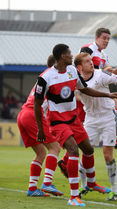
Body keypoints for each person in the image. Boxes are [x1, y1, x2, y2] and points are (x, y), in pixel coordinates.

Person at [34, 44, 117, 206]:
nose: (71, 55)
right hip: (57, 122)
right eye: (69, 53)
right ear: (62, 56)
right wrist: (41, 129)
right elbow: (37, 104)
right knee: (73, 150)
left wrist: (108, 94)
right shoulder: (45, 78)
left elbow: (85, 89)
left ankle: (91, 183)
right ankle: (74, 196)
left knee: (88, 150)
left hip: (73, 120)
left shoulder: (72, 71)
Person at [74, 52, 117, 201]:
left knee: (108, 154)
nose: (91, 63)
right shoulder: (75, 80)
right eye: (87, 61)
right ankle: (84, 185)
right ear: (79, 66)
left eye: (91, 60)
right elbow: (75, 94)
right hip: (90, 119)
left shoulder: (100, 74)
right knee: (86, 153)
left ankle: (114, 190)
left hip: (108, 116)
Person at [80, 27, 117, 149]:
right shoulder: (88, 49)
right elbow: (85, 69)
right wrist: (104, 70)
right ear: (96, 38)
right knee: (116, 105)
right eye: (104, 38)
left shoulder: (104, 55)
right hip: (88, 90)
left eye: (108, 39)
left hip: (99, 89)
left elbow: (110, 74)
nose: (106, 41)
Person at [17, 55, 63, 197]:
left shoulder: (44, 76)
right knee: (55, 147)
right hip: (32, 114)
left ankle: (32, 188)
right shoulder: (52, 77)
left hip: (23, 114)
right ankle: (47, 183)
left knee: (41, 153)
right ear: (56, 64)